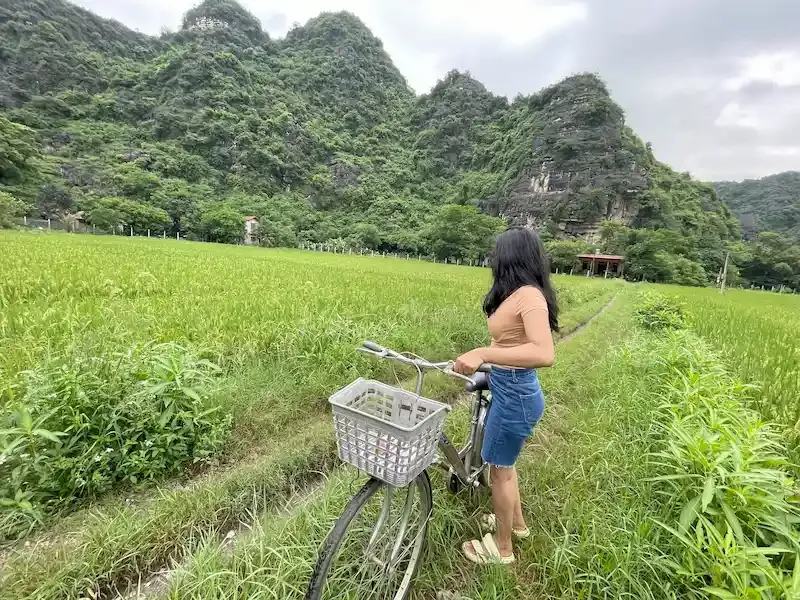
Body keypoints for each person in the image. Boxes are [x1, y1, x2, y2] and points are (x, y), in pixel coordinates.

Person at [453, 226, 558, 565]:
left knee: (499, 468)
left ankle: (502, 549)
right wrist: (487, 361)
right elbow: (509, 345)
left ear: (511, 256)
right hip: (508, 386)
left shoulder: (529, 296)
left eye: (497, 253)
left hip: (516, 394)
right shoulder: (517, 293)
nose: (493, 259)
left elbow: (544, 353)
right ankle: (517, 525)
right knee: (505, 466)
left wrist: (484, 353)